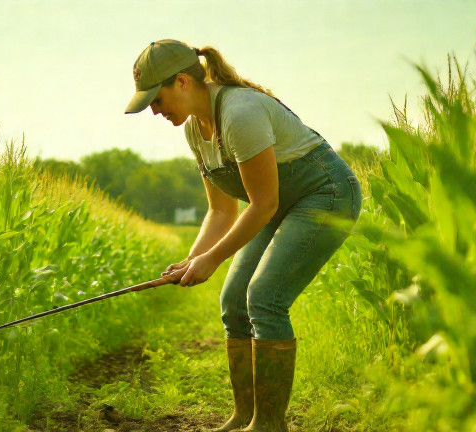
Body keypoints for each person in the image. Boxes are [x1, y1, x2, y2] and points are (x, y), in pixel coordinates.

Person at [124, 39, 362, 432]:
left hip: (324, 194)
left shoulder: (240, 113)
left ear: (182, 81)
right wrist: (191, 260)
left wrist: (212, 259)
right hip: (278, 202)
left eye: (157, 98)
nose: (154, 110)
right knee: (234, 300)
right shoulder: (196, 131)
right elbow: (221, 210)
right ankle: (243, 418)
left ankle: (269, 425)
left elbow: (263, 203)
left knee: (265, 298)